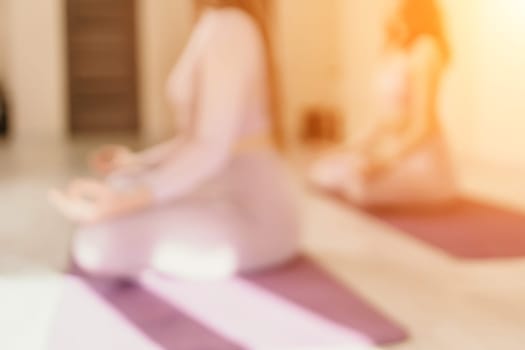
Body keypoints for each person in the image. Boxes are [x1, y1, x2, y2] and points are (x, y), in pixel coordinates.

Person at [50, 0, 299, 280]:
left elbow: (210, 148)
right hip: (216, 191)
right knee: (122, 183)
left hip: (251, 216)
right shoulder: (212, 23)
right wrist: (137, 162)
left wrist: (124, 201)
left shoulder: (231, 27)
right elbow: (194, 139)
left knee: (98, 243)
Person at [309, 0, 455, 207]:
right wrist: (347, 148)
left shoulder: (426, 49)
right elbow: (384, 121)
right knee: (324, 170)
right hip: (392, 149)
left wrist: (385, 161)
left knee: (358, 185)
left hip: (419, 157)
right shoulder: (397, 48)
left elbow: (424, 126)